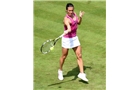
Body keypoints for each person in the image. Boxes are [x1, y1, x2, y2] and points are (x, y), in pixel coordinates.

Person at [58, 3, 88, 82]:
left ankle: (82, 74)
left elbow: (78, 22)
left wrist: (80, 17)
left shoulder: (74, 15)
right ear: (66, 10)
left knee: (79, 55)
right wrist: (68, 29)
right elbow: (69, 27)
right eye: (69, 10)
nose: (71, 12)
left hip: (74, 38)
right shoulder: (66, 19)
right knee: (64, 56)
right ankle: (60, 71)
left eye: (72, 10)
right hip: (67, 40)